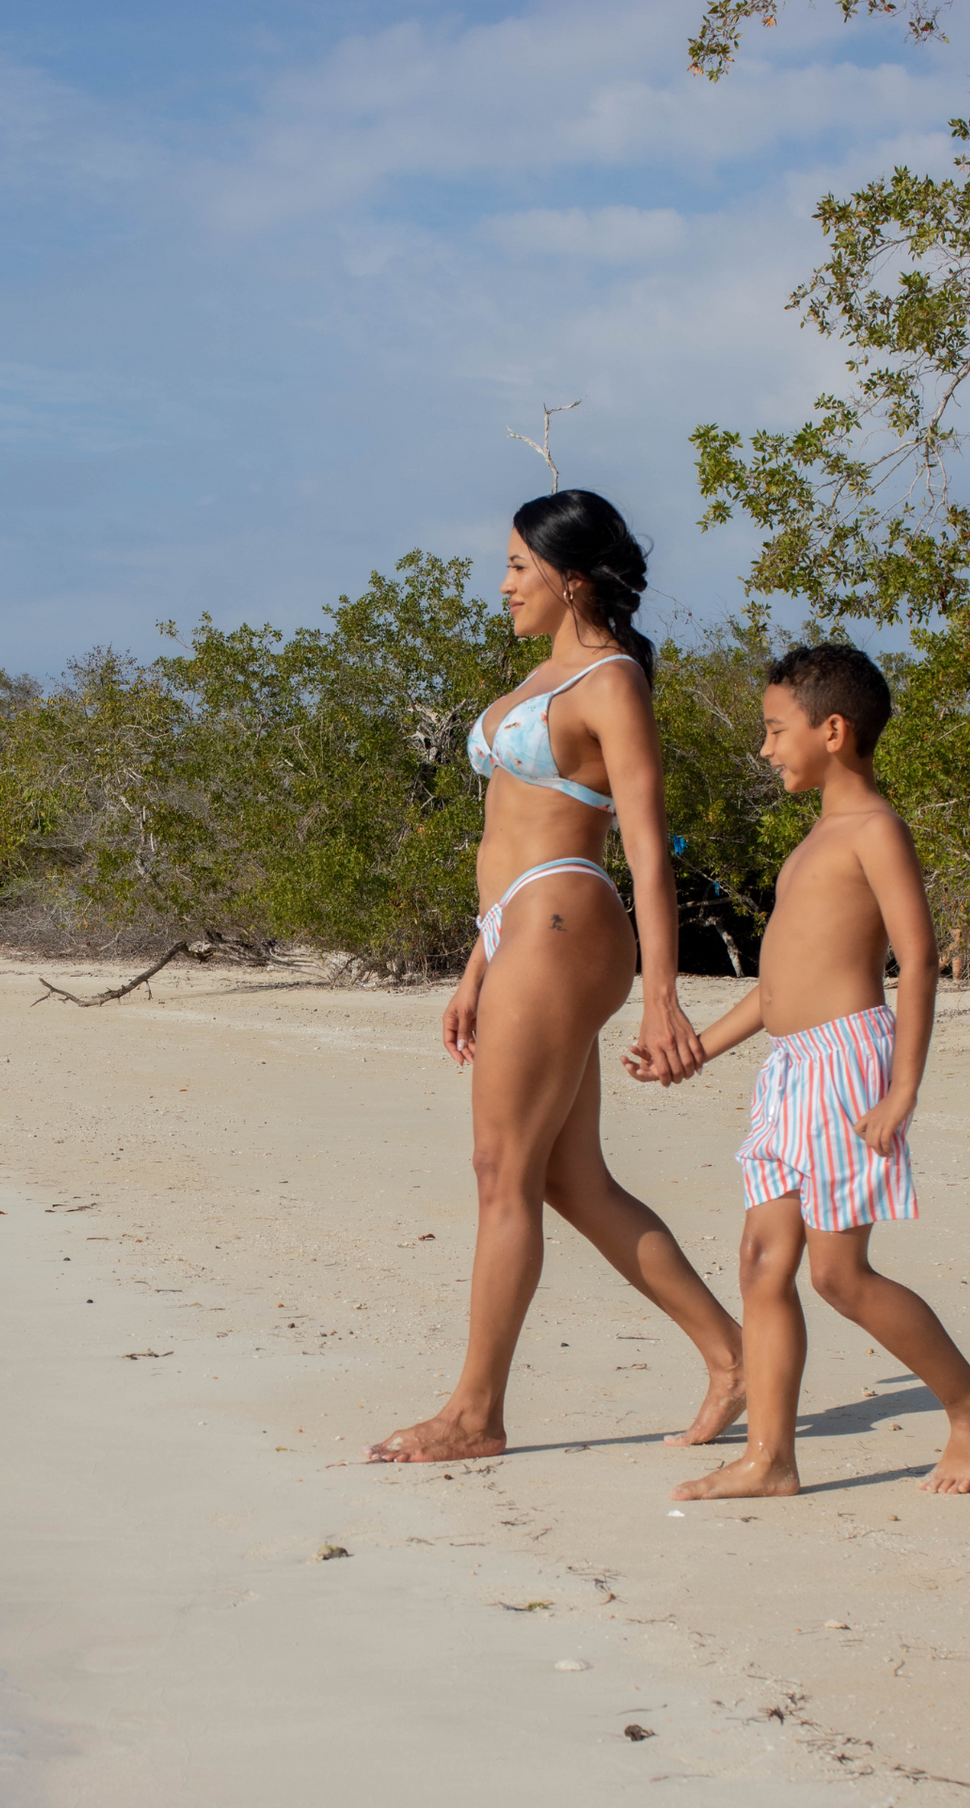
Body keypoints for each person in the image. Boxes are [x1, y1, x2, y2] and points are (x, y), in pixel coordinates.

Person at [368, 490, 744, 1464]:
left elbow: (648, 852)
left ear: (570, 578)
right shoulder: (540, 674)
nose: (501, 586)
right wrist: (473, 965)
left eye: (517, 568)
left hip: (567, 916)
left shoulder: (612, 682)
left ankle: (472, 1412)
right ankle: (732, 1355)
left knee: (502, 1172)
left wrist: (663, 992)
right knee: (571, 1179)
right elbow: (504, 832)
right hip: (516, 928)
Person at [624, 641, 970, 1499]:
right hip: (789, 1068)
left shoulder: (872, 830)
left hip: (847, 1062)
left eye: (772, 730)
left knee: (838, 1274)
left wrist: (902, 1087)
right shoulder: (812, 844)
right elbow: (774, 993)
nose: (765, 749)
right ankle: (771, 1459)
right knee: (762, 1263)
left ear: (831, 730)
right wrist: (690, 1052)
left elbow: (919, 957)